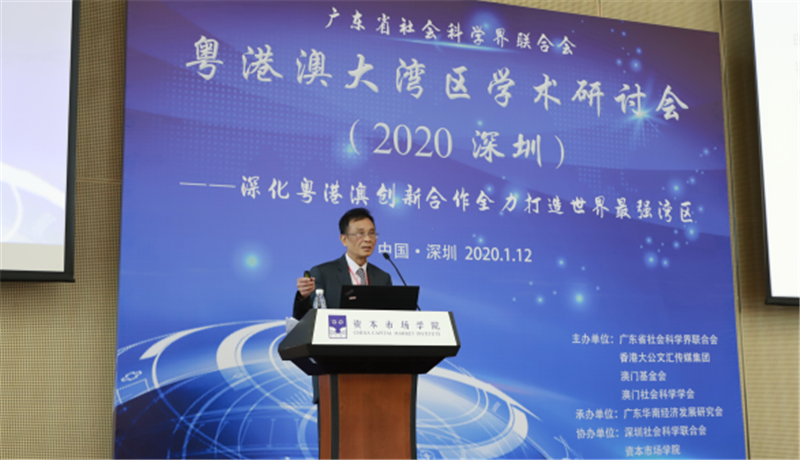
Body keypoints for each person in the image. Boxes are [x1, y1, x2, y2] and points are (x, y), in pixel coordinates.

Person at [293, 207, 392, 320]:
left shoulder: (383, 278)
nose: (368, 239)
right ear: (344, 239)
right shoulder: (323, 273)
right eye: (360, 233)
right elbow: (303, 319)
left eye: (372, 233)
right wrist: (304, 297)